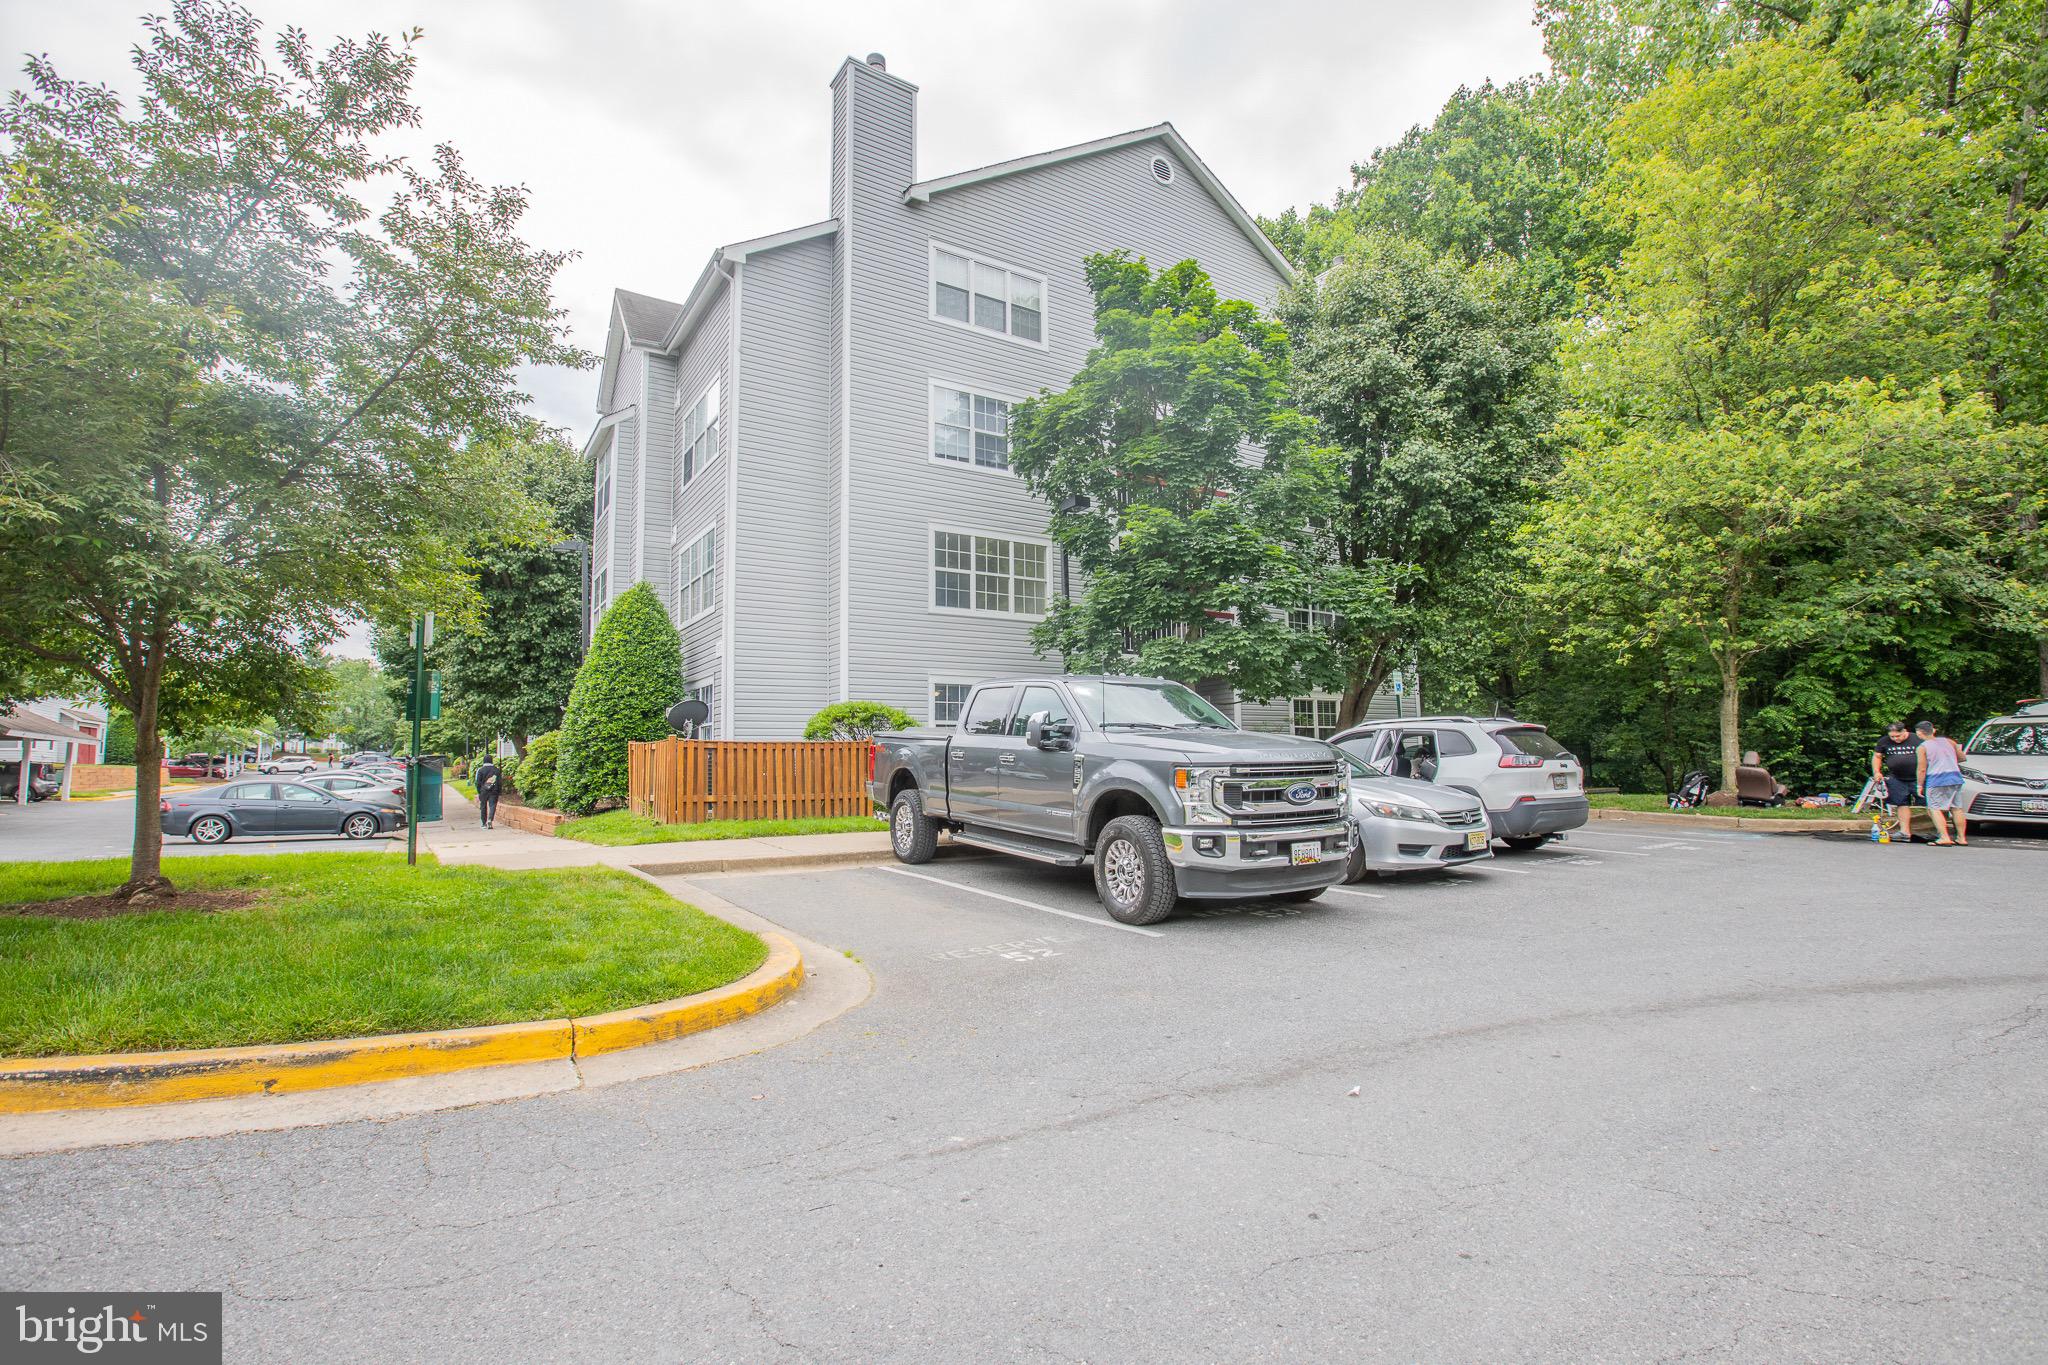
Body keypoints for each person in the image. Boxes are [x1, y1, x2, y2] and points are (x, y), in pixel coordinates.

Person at [1915, 720, 1968, 846]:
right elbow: (1962, 758)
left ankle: (1944, 837)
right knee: (1957, 808)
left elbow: (1922, 768)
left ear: (1919, 733)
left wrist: (1919, 785)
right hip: (1955, 777)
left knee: (1934, 808)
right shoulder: (1949, 741)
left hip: (1937, 779)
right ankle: (1961, 838)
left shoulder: (1923, 747)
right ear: (1933, 730)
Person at [1872, 722, 1921, 842]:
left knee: (1931, 804)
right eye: (1892, 737)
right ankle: (1905, 832)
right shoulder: (1884, 741)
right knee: (1901, 803)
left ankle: (1941, 832)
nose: (1895, 739)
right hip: (1897, 777)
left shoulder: (1917, 739)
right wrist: (1877, 772)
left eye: (1898, 736)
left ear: (1904, 731)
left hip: (1919, 777)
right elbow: (1877, 756)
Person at [473, 754, 502, 829]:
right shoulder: (496, 770)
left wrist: (479, 791)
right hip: (494, 791)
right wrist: (499, 792)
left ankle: (483, 823)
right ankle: (490, 819)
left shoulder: (480, 770)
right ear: (491, 760)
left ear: (484, 761)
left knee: (483, 807)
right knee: (492, 805)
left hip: (484, 791)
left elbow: (478, 782)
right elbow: (499, 782)